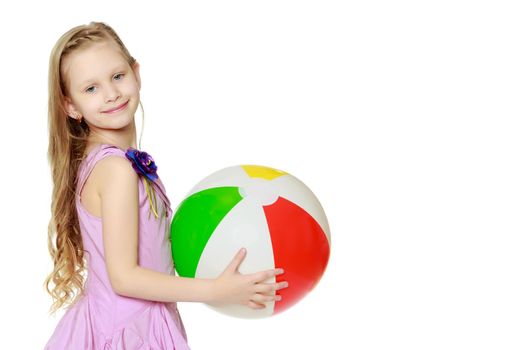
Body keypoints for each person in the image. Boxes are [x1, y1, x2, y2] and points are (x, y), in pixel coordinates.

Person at [43, 21, 288, 349]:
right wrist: (216, 290)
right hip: (128, 332)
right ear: (70, 105)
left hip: (127, 322)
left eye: (118, 76)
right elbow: (124, 277)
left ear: (136, 72)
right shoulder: (115, 169)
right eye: (91, 88)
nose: (112, 93)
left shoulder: (108, 160)